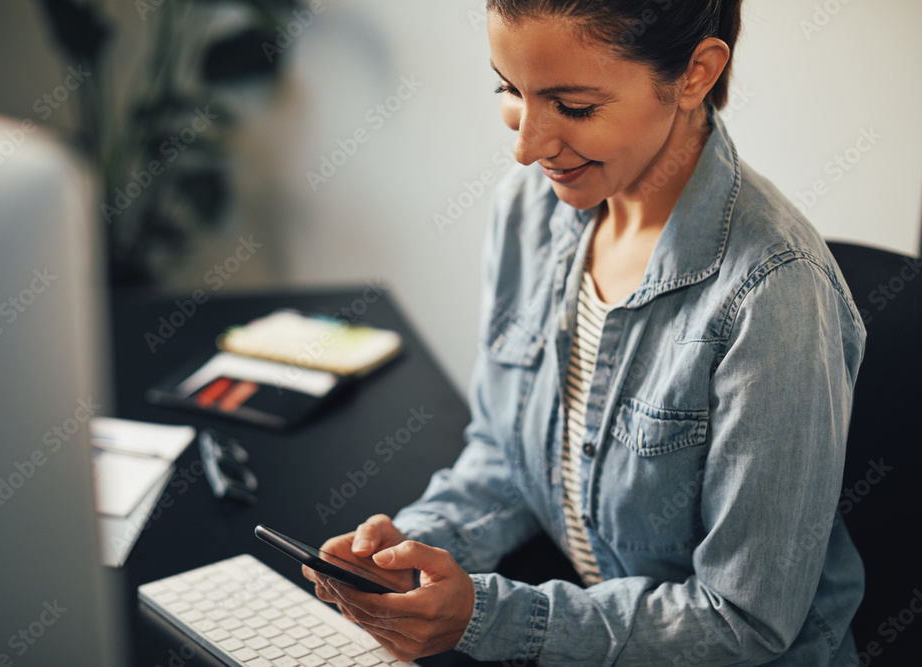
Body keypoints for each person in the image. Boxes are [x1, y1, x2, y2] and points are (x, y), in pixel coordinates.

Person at [304, 1, 867, 664]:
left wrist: (490, 616)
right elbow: (508, 453)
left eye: (573, 107)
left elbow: (744, 620)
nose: (525, 146)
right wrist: (416, 550)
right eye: (510, 91)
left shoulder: (776, 293)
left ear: (695, 75)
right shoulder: (532, 208)